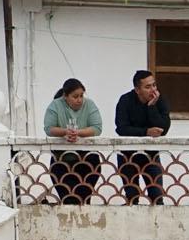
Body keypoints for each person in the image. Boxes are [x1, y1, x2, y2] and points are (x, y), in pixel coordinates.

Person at [114, 69, 171, 203]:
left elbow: (163, 128)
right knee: (132, 197)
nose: (153, 90)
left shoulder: (159, 100)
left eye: (154, 85)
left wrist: (151, 107)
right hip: (128, 154)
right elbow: (121, 129)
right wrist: (146, 132)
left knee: (157, 196)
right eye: (147, 87)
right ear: (137, 89)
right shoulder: (125, 100)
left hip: (150, 154)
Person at [44, 78, 103, 204]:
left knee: (84, 200)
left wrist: (78, 133)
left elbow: (97, 128)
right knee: (68, 201)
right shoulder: (55, 105)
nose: (79, 100)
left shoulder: (89, 104)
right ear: (65, 96)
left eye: (81, 95)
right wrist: (65, 132)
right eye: (75, 96)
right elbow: (49, 128)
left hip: (87, 160)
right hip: (61, 160)